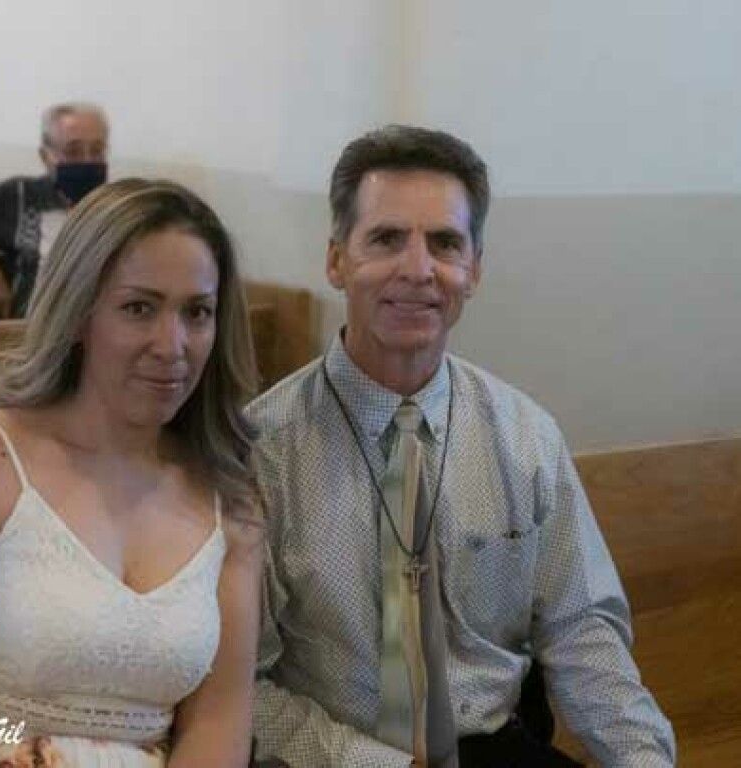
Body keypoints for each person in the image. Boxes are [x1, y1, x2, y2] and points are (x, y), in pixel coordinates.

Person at [248, 126, 675, 767]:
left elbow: (581, 629)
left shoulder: (525, 435)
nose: (418, 270)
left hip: (494, 747)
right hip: (334, 755)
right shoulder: (263, 451)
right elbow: (241, 685)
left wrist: (644, 760)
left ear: (473, 268)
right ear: (337, 260)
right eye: (387, 239)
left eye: (445, 243)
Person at [0, 179, 263, 768]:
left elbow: (217, 728)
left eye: (197, 312)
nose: (172, 344)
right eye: (139, 308)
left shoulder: (227, 500)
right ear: (79, 314)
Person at [0, 102, 110, 317]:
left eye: (97, 150)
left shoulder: (117, 206)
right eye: (73, 151)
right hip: (30, 333)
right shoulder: (21, 196)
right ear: (45, 156)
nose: (88, 161)